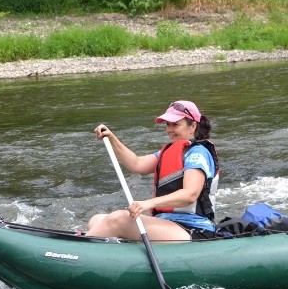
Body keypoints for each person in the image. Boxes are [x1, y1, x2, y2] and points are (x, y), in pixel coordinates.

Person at [85, 100, 219, 242]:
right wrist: (112, 139)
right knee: (97, 219)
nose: (169, 129)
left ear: (192, 126)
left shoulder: (198, 153)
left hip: (192, 229)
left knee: (117, 218)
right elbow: (136, 163)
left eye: (175, 124)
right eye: (168, 124)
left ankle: (76, 252)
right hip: (168, 223)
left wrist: (149, 203)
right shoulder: (168, 152)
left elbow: (190, 194)